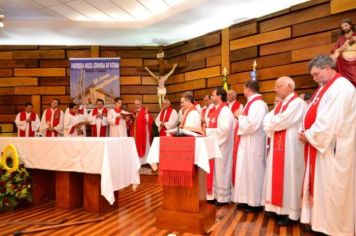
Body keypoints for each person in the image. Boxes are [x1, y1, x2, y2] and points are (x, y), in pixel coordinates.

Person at [298, 55, 355, 235]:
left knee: (333, 189)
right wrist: (304, 130)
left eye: (316, 74)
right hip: (321, 148)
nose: (314, 79)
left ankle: (334, 229)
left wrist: (308, 135)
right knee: (323, 188)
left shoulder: (341, 87)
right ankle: (321, 224)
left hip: (334, 148)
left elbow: (330, 120)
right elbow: (310, 112)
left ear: (328, 68)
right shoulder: (324, 89)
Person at [262, 76, 307, 226]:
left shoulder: (298, 103)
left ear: (289, 87)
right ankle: (277, 208)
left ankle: (291, 213)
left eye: (278, 86)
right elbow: (267, 119)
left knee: (290, 176)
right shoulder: (280, 105)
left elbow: (283, 120)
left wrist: (271, 124)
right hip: (278, 145)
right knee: (277, 176)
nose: (276, 89)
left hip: (291, 147)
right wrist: (271, 124)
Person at [231, 80, 268, 212]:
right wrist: (241, 117)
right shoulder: (250, 103)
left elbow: (252, 125)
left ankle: (255, 203)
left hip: (254, 143)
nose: (243, 91)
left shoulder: (258, 104)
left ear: (248, 89)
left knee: (254, 171)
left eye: (243, 88)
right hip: (247, 142)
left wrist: (239, 116)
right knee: (245, 171)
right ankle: (245, 199)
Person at [205, 88, 234, 206]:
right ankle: (214, 195)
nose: (211, 97)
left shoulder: (225, 111)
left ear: (220, 97)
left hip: (222, 146)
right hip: (215, 145)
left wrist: (207, 131)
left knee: (221, 170)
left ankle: (223, 198)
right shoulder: (215, 110)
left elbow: (225, 129)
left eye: (213, 95)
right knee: (215, 170)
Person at [330, 19, 356, 86]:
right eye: (343, 27)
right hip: (343, 63)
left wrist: (352, 40)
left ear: (350, 25)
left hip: (354, 62)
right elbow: (335, 49)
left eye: (346, 25)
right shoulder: (341, 38)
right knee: (346, 82)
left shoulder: (355, 36)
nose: (345, 28)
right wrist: (341, 48)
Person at [130, 99, 153, 164]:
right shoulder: (133, 112)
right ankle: (136, 161)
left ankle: (143, 161)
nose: (136, 106)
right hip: (135, 132)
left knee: (144, 145)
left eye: (137, 104)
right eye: (135, 104)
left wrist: (146, 115)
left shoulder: (144, 111)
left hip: (142, 132)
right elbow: (131, 123)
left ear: (140, 104)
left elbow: (149, 121)